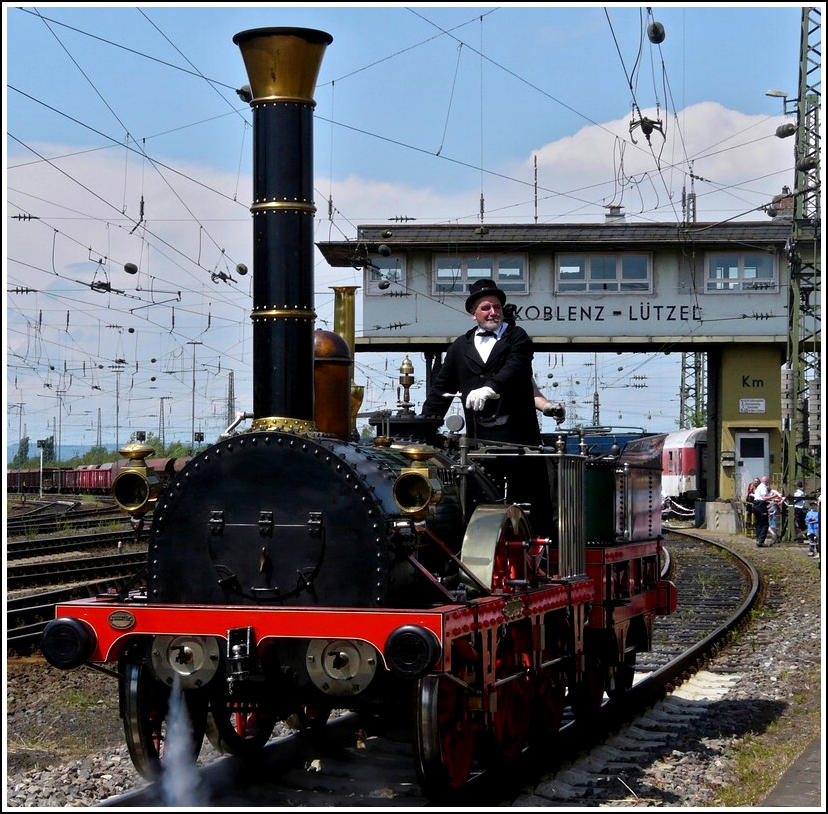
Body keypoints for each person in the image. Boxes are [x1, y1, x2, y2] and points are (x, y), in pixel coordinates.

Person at [420, 279, 553, 532]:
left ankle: (537, 549)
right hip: (478, 439)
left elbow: (516, 367)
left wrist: (491, 388)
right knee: (477, 496)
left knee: (526, 499)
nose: (493, 312)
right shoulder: (460, 347)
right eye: (486, 308)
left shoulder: (517, 337)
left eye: (497, 307)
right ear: (473, 314)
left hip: (518, 437)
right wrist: (425, 427)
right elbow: (441, 389)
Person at [751, 475, 772, 547]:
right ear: (766, 481)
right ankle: (761, 541)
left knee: (758, 524)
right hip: (761, 506)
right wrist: (774, 496)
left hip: (756, 506)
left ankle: (758, 539)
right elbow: (764, 498)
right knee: (765, 525)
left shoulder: (758, 487)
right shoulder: (763, 488)